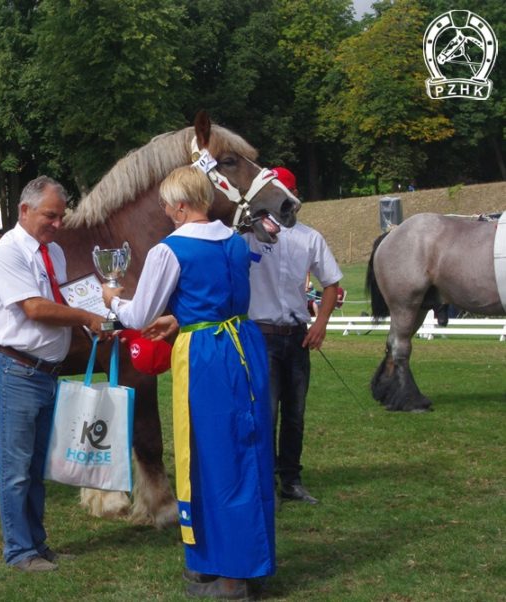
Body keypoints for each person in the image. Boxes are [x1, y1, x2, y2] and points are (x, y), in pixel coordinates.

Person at [102, 165, 275, 599]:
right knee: (240, 451)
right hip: (244, 346)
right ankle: (215, 559)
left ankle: (232, 574)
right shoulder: (235, 242)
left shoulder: (170, 249)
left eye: (165, 204)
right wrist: (182, 316)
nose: (163, 211)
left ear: (180, 206)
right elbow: (221, 296)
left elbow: (139, 315)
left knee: (215, 457)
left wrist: (112, 298)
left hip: (207, 356)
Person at [0, 176, 110, 573]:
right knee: (15, 469)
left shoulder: (51, 252)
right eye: (49, 216)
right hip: (16, 369)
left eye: (61, 216)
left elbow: (62, 298)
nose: (57, 224)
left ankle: (36, 543)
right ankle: (19, 551)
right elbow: (36, 309)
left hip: (45, 373)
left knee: (37, 468)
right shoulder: (5, 253)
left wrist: (103, 309)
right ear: (24, 210)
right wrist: (90, 317)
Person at [244, 166, 342, 506]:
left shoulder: (309, 237)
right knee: (266, 413)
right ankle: (263, 480)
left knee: (295, 414)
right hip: (262, 334)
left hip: (297, 334)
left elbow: (331, 284)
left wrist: (321, 323)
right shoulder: (249, 235)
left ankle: (291, 479)